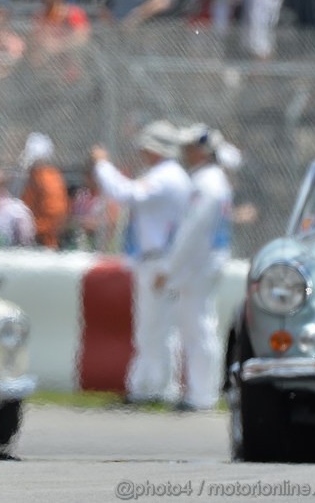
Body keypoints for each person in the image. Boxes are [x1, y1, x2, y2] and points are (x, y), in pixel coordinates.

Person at [90, 120, 192, 405]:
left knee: (155, 327)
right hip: (157, 259)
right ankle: (149, 387)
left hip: (160, 259)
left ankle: (154, 388)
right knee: (154, 327)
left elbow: (126, 193)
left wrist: (102, 165)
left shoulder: (166, 176)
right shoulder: (169, 175)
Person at [162, 124, 238, 411]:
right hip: (202, 264)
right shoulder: (211, 180)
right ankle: (199, 391)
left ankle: (202, 394)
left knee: (199, 327)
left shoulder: (207, 183)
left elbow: (191, 230)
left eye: (190, 148)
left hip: (200, 265)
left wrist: (170, 267)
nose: (185, 153)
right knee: (195, 326)